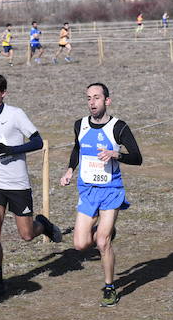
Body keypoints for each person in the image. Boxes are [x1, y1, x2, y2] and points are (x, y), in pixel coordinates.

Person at [0, 73, 62, 298]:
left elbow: (37, 141)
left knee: (26, 235)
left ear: (3, 93)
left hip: (18, 184)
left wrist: (13, 151)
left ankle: (42, 225)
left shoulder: (16, 114)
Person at [60, 83, 142, 306]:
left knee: (103, 242)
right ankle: (104, 229)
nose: (92, 102)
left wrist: (117, 154)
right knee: (80, 245)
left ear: (107, 101)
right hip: (87, 190)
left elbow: (137, 157)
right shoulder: (80, 125)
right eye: (88, 98)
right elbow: (77, 149)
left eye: (96, 98)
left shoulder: (119, 127)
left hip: (111, 190)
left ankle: (109, 287)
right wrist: (69, 171)